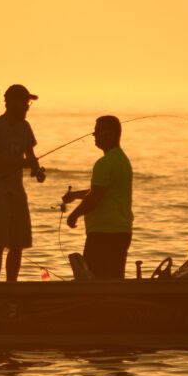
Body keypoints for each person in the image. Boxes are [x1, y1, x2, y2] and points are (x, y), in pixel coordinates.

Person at [0, 84, 45, 282]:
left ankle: (12, 285)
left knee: (18, 244)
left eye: (28, 104)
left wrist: (37, 170)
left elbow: (31, 157)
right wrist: (22, 163)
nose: (27, 107)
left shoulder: (25, 127)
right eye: (25, 103)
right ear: (11, 103)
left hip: (17, 192)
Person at [63, 116, 133, 279]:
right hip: (121, 231)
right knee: (114, 279)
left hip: (104, 232)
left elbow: (95, 196)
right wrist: (75, 195)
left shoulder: (104, 163)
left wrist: (74, 215)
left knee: (95, 280)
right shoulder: (122, 160)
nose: (93, 135)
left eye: (97, 131)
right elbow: (103, 190)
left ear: (108, 133)